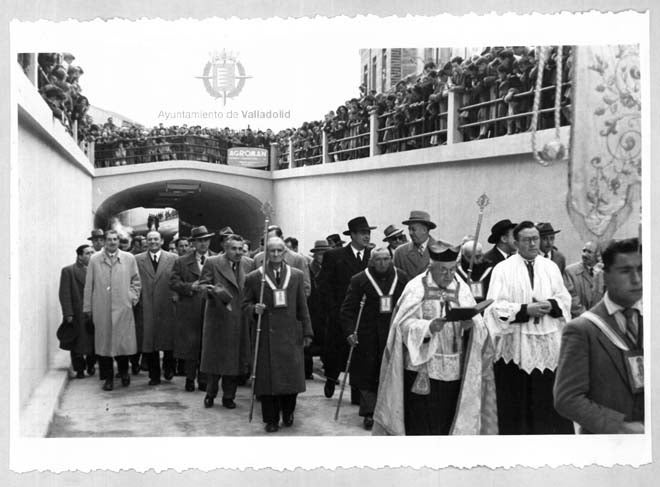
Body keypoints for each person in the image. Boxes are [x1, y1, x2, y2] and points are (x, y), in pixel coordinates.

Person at [372, 242, 498, 435]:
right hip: (421, 368)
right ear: (431, 267)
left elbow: (479, 327)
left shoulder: (461, 288)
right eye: (443, 270)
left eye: (452, 270)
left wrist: (470, 327)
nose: (449, 276)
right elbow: (401, 327)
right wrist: (428, 327)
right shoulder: (416, 288)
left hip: (454, 369)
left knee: (447, 421)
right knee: (421, 423)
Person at [484, 221, 573, 434]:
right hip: (517, 347)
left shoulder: (550, 267)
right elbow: (494, 307)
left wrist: (551, 305)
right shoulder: (503, 269)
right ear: (516, 242)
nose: (533, 243)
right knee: (518, 409)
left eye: (536, 238)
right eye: (527, 239)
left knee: (548, 407)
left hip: (547, 346)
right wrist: (525, 309)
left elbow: (564, 299)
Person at [554, 238, 643, 434]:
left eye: (641, 269)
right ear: (607, 275)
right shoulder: (582, 329)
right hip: (606, 444)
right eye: (625, 271)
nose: (637, 279)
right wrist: (621, 428)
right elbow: (567, 399)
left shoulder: (650, 320)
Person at [242, 237, 313, 433]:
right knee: (268, 381)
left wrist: (307, 331)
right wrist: (253, 309)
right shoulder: (255, 277)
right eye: (271, 251)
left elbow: (302, 306)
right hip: (266, 335)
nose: (274, 255)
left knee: (291, 378)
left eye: (278, 251)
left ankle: (288, 411)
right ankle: (271, 419)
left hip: (291, 334)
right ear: (266, 253)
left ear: (284, 253)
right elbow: (244, 305)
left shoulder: (296, 276)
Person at [340, 248, 409, 430]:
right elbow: (347, 310)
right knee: (368, 374)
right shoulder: (359, 280)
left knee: (390, 372)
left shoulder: (401, 278)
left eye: (386, 259)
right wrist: (349, 332)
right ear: (371, 261)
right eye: (378, 260)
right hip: (367, 334)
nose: (383, 263)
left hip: (392, 332)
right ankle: (369, 413)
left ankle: (391, 411)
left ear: (391, 260)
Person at [319, 216, 375, 400]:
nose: (366, 236)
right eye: (362, 233)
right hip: (341, 312)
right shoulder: (334, 256)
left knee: (360, 353)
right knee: (337, 350)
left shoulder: (373, 256)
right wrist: (333, 310)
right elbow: (324, 285)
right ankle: (331, 378)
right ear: (352, 235)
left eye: (368, 233)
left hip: (365, 314)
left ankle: (358, 392)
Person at [199, 235, 255, 408]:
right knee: (216, 360)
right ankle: (210, 393)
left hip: (239, 318)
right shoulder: (212, 262)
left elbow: (251, 289)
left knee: (234, 360)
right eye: (234, 249)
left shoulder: (248, 264)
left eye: (240, 249)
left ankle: (229, 396)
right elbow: (202, 286)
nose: (238, 252)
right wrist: (213, 291)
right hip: (218, 318)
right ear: (226, 248)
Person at [83, 230, 141, 391]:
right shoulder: (95, 259)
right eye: (109, 239)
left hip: (123, 307)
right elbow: (89, 285)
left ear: (118, 241)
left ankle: (124, 373)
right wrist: (88, 308)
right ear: (104, 241)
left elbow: (136, 280)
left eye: (115, 239)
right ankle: (108, 378)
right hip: (102, 308)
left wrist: (131, 298)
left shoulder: (128, 259)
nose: (112, 242)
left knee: (122, 344)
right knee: (104, 346)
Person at [170, 225, 215, 391]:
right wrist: (189, 287)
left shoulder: (217, 259)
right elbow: (173, 283)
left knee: (207, 344)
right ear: (193, 243)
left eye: (206, 240)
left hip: (211, 307)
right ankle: (190, 378)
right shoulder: (181, 261)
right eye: (200, 241)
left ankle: (203, 379)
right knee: (190, 345)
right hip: (189, 308)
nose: (203, 244)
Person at [135, 231, 178, 385]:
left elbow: (177, 279)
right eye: (150, 239)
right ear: (146, 242)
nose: (153, 242)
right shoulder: (137, 260)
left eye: (155, 239)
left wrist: (175, 296)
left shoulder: (173, 258)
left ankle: (168, 368)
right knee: (150, 342)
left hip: (167, 304)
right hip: (146, 305)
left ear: (161, 241)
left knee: (168, 340)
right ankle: (154, 375)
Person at [59, 244, 96, 378]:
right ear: (80, 256)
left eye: (92, 252)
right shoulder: (68, 271)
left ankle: (91, 365)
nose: (91, 255)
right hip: (77, 313)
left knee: (93, 342)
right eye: (87, 253)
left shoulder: (98, 270)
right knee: (77, 343)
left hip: (94, 312)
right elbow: (64, 294)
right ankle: (79, 369)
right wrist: (68, 313)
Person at [254, 225, 310, 297]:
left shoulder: (298, 259)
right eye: (267, 240)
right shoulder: (258, 259)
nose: (271, 243)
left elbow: (305, 289)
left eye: (273, 239)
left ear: (282, 238)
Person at [305, 239, 332, 379]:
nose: (323, 257)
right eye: (320, 254)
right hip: (312, 310)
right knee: (309, 341)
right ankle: (307, 371)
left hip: (326, 311)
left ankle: (329, 371)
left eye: (326, 254)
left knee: (328, 341)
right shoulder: (309, 269)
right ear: (315, 255)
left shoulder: (331, 269)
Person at [394, 210, 447, 278]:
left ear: (424, 230)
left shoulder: (444, 250)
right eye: (409, 229)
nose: (410, 233)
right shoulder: (400, 253)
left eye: (413, 229)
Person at [564, 241, 605, 318]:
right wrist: (587, 318)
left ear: (598, 256)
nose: (584, 255)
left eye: (589, 252)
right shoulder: (570, 271)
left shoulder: (603, 274)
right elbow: (572, 300)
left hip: (599, 321)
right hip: (578, 320)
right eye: (584, 251)